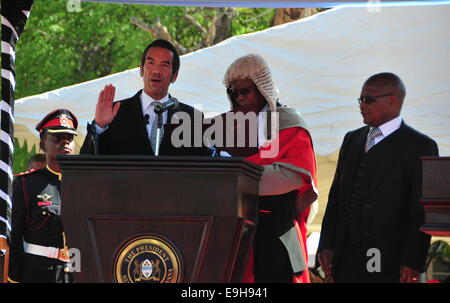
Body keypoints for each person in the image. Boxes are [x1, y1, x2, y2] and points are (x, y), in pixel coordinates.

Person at [317, 72, 439, 283]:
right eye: (360, 99)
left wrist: (413, 261)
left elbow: (421, 211)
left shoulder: (420, 145)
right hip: (346, 257)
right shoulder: (352, 139)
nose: (362, 105)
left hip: (389, 259)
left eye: (368, 99)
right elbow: (336, 198)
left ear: (393, 100)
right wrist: (326, 243)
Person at [221, 54, 318, 283]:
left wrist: (233, 176)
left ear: (262, 87)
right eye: (234, 93)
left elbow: (291, 177)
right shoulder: (231, 128)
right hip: (241, 234)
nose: (240, 98)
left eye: (245, 90)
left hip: (279, 231)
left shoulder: (288, 122)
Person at [80, 39, 207, 156]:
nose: (156, 71)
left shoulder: (192, 118)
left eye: (164, 65)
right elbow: (87, 166)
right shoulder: (116, 113)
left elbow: (201, 171)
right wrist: (99, 126)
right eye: (151, 63)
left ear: (174, 76)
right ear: (141, 70)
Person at [8, 109, 78, 283]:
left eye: (69, 138)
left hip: (74, 269)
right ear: (42, 145)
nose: (65, 142)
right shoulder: (26, 183)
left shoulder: (83, 184)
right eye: (58, 137)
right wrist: (13, 278)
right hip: (37, 272)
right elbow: (14, 237)